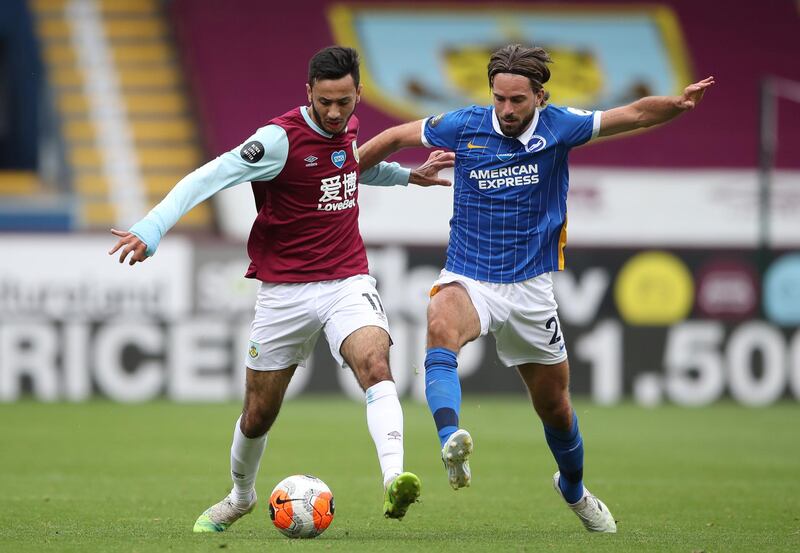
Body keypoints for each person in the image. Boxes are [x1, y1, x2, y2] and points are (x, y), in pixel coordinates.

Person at [359, 43, 714, 534]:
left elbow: (631, 113)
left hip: (530, 290)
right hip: (470, 276)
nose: (505, 110)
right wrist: (346, 168)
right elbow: (398, 134)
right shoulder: (465, 125)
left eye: (517, 101)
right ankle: (450, 441)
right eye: (499, 99)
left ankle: (573, 488)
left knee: (556, 408)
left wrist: (677, 104)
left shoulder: (560, 127)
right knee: (440, 323)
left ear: (539, 96)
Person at [108, 46, 455, 532]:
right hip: (283, 293)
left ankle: (395, 479)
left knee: (376, 365)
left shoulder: (349, 128)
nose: (335, 114)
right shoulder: (276, 140)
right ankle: (241, 496)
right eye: (325, 102)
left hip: (346, 280)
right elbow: (206, 178)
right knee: (257, 414)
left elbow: (351, 167)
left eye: (344, 102)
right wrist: (152, 228)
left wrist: (406, 177)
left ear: (357, 93)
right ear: (308, 92)